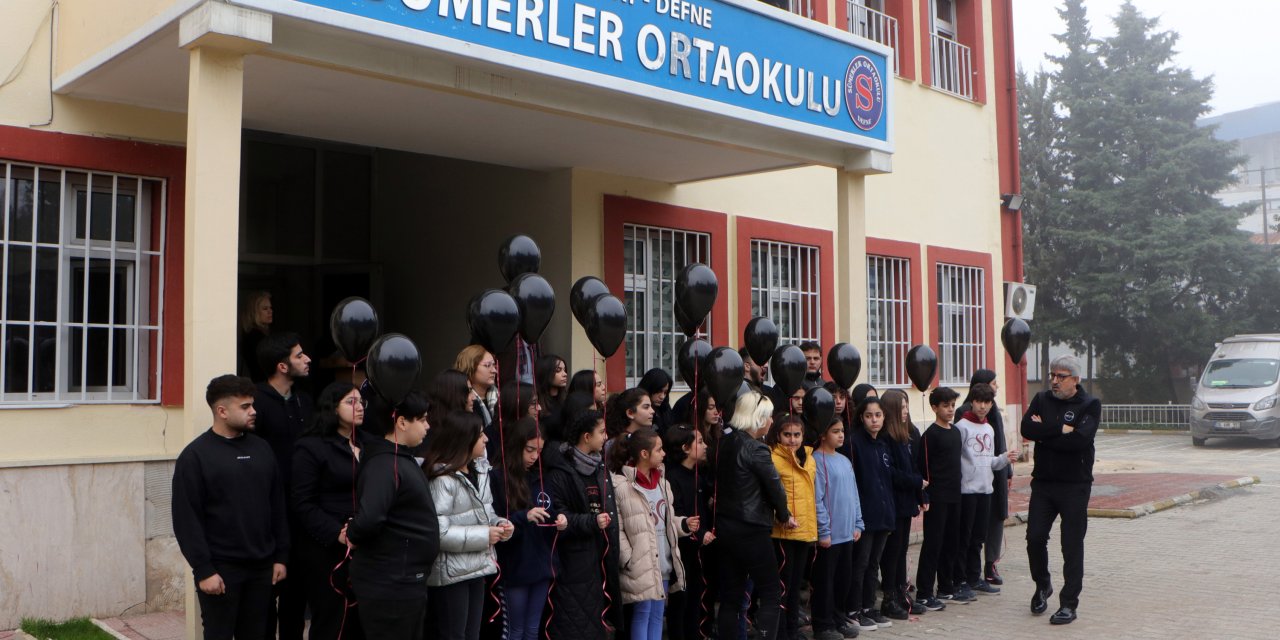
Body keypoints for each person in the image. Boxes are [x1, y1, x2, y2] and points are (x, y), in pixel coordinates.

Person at [172, 374, 289, 640]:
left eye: (253, 405)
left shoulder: (262, 448)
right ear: (222, 411)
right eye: (245, 407)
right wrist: (204, 570)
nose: (254, 412)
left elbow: (277, 506)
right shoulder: (194, 457)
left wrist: (281, 556)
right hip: (221, 571)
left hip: (263, 568)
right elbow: (186, 519)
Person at [346, 392, 437, 640]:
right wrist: (353, 532)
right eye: (423, 419)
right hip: (390, 583)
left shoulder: (399, 459)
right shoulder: (384, 464)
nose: (428, 426)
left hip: (405, 580)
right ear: (402, 422)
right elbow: (370, 517)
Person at [1021, 356, 1100, 626]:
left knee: (1071, 545)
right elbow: (1026, 428)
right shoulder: (1042, 399)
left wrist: (1044, 434)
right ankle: (1042, 585)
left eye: (1061, 376)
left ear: (1075, 380)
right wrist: (1058, 430)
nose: (1054, 380)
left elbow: (1079, 441)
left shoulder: (1090, 405)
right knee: (1034, 538)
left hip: (1075, 486)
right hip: (1043, 484)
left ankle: (1069, 603)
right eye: (1052, 374)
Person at [424, 410, 514, 640]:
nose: (486, 439)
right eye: (480, 434)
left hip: (477, 566)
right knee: (454, 634)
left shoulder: (480, 471)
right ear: (464, 438)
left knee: (473, 633)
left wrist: (500, 524)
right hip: (450, 573)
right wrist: (485, 535)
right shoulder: (442, 480)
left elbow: (486, 513)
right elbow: (440, 533)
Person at [290, 383, 367, 640]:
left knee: (360, 619)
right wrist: (337, 533)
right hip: (325, 547)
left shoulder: (367, 444)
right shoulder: (311, 447)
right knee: (332, 618)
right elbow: (302, 502)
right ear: (332, 408)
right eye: (351, 402)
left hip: (363, 542)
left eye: (361, 402)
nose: (360, 407)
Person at [715, 391, 793, 640]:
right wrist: (784, 515)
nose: (771, 422)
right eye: (768, 417)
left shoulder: (724, 443)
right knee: (771, 591)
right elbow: (775, 488)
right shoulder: (756, 449)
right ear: (758, 418)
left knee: (732, 596)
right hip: (751, 528)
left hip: (726, 526)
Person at [253, 332, 313, 640]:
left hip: (302, 512)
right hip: (269, 514)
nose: (307, 359)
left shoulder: (305, 401)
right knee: (266, 597)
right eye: (299, 355)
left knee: (296, 595)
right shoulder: (256, 403)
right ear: (282, 366)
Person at [611, 428, 698, 640]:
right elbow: (618, 527)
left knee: (658, 614)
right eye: (659, 450)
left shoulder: (663, 482)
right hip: (640, 563)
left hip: (663, 560)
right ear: (644, 454)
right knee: (642, 613)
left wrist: (684, 524)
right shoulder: (622, 486)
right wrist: (628, 557)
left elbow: (665, 520)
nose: (664, 454)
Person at [545, 411, 621, 638]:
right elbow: (559, 515)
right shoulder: (561, 472)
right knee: (575, 624)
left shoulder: (599, 467)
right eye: (601, 432)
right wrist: (591, 521)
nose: (605, 437)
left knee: (595, 622)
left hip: (600, 556)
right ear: (586, 437)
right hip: (574, 560)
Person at [491, 417, 567, 640]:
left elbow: (549, 510)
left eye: (539, 451)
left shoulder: (541, 477)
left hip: (541, 563)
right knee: (515, 630)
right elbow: (495, 521)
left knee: (533, 629)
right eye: (530, 450)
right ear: (516, 446)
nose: (535, 456)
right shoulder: (498, 477)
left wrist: (559, 519)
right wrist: (524, 517)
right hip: (514, 565)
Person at [955, 383, 1017, 597]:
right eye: (979, 401)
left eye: (987, 402)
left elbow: (990, 461)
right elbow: (957, 459)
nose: (982, 406)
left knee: (978, 537)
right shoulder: (962, 426)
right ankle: (960, 579)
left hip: (985, 490)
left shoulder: (989, 428)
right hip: (966, 491)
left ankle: (974, 578)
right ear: (972, 402)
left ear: (991, 404)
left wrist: (1004, 459)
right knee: (964, 537)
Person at [765, 415, 817, 640]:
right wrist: (782, 516)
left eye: (797, 435)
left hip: (804, 530)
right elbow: (770, 495)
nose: (792, 440)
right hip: (784, 530)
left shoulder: (809, 457)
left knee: (796, 585)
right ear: (778, 435)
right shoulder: (773, 458)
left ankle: (793, 629)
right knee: (783, 586)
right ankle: (781, 633)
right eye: (787, 435)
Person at [913, 387, 965, 611]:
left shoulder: (955, 432)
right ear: (935, 408)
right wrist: (924, 495)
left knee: (951, 542)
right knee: (933, 544)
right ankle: (924, 592)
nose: (950, 409)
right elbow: (922, 468)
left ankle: (946, 586)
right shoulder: (930, 435)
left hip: (955, 495)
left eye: (953, 405)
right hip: (937, 497)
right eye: (945, 405)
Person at [877, 389, 927, 620]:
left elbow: (913, 466)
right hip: (893, 503)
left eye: (907, 406)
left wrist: (921, 494)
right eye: (902, 407)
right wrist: (916, 482)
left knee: (902, 550)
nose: (906, 411)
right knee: (892, 553)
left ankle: (901, 594)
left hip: (907, 502)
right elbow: (893, 473)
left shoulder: (907, 435)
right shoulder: (886, 438)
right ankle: (889, 598)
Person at [845, 397, 895, 631]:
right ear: (861, 418)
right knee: (860, 564)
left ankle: (868, 607)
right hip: (864, 516)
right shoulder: (854, 443)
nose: (874, 420)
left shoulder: (883, 444)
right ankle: (853, 610)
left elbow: (886, 480)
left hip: (883, 513)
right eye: (868, 415)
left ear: (884, 417)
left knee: (874, 564)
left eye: (878, 415)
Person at [812, 417, 862, 640]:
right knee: (826, 582)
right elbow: (818, 499)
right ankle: (823, 624)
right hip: (829, 536)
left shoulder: (844, 460)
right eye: (835, 431)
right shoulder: (816, 460)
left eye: (842, 431)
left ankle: (838, 618)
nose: (841, 435)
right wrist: (824, 531)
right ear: (823, 434)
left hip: (847, 534)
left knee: (843, 580)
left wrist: (857, 522)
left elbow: (854, 495)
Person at [664, 424, 715, 640]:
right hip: (682, 547)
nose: (705, 446)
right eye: (700, 442)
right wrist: (699, 532)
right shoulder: (673, 477)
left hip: (699, 549)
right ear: (685, 448)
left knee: (696, 597)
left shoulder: (699, 475)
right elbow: (679, 512)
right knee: (681, 600)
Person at [456, 345, 499, 426]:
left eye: (494, 365)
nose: (494, 370)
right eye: (487, 365)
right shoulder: (463, 402)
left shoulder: (500, 398)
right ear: (470, 367)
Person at [239, 291, 272, 381]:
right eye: (265, 309)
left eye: (270, 308)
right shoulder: (254, 337)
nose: (270, 311)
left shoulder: (259, 334)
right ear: (254, 312)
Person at [535, 354, 569, 440]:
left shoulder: (567, 400)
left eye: (565, 370)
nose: (565, 374)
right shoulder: (536, 403)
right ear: (546, 372)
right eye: (558, 370)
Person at [637, 368, 675, 436]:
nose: (662, 397)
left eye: (665, 392)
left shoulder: (665, 408)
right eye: (659, 391)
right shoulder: (637, 406)